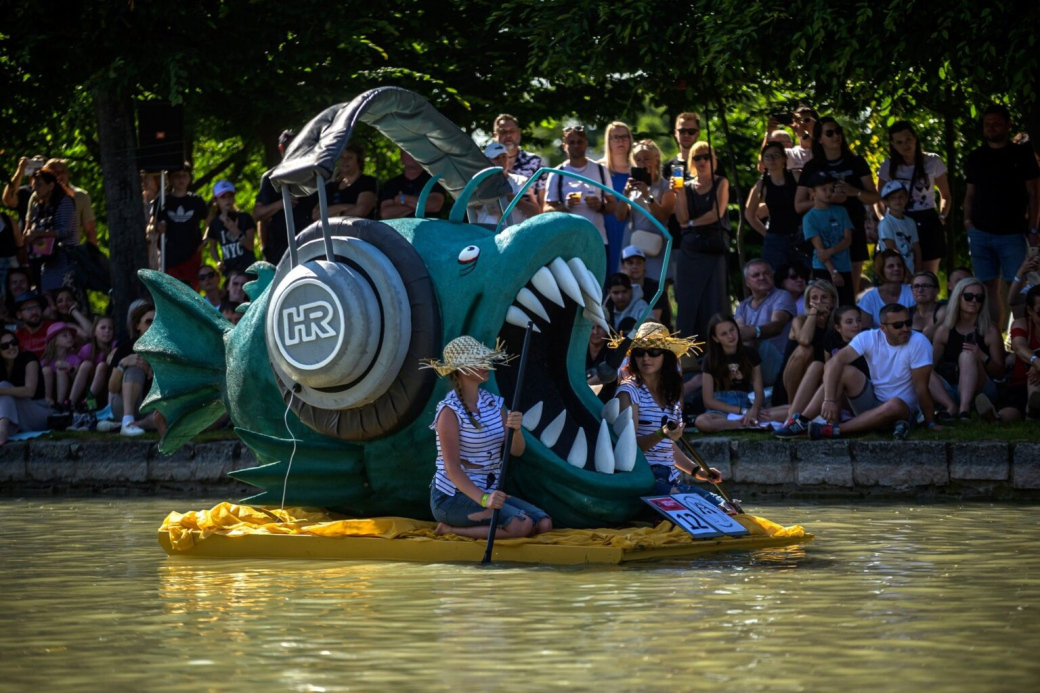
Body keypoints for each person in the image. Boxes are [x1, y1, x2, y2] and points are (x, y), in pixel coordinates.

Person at [422, 336, 551, 539]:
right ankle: (449, 529)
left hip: (490, 492)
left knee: (544, 523)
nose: (487, 365)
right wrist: (484, 499)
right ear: (463, 370)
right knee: (521, 526)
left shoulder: (493, 403)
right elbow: (451, 468)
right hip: (452, 497)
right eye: (479, 361)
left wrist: (516, 431)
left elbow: (516, 451)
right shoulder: (449, 411)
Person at [614, 321, 729, 505]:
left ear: (665, 356)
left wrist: (697, 471)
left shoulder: (671, 394)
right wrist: (662, 433)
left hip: (669, 477)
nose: (646, 358)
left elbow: (668, 447)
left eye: (653, 352)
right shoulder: (629, 392)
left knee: (727, 508)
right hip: (642, 476)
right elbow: (629, 450)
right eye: (639, 353)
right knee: (691, 502)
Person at [811, 303, 936, 440]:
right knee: (844, 371)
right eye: (898, 325)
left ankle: (834, 430)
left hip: (903, 409)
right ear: (883, 328)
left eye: (908, 323)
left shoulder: (919, 342)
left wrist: (931, 423)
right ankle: (800, 421)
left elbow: (921, 388)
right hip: (874, 402)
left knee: (894, 404)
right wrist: (829, 399)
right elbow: (834, 362)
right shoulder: (869, 337)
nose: (905, 328)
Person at [964, 104, 1040, 327]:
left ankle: (1022, 340)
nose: (991, 127)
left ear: (1007, 125)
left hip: (1013, 233)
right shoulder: (976, 157)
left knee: (1017, 285)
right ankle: (994, 342)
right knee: (986, 289)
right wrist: (967, 222)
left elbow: (1034, 193)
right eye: (987, 124)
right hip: (979, 231)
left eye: (996, 122)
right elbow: (969, 194)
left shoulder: (1023, 154)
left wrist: (1034, 228)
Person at [795, 117, 880, 294]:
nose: (836, 136)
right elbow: (799, 205)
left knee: (851, 289)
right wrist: (827, 199)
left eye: (838, 131)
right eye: (829, 133)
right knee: (824, 290)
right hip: (822, 232)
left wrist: (853, 192)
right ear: (819, 138)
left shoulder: (856, 162)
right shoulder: (812, 167)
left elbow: (873, 197)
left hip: (852, 227)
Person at [774, 304, 869, 437]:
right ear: (838, 328)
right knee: (817, 366)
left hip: (856, 394)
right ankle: (791, 420)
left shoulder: (867, 338)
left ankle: (801, 420)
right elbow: (828, 367)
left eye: (858, 320)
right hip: (833, 391)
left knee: (842, 370)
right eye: (849, 322)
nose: (856, 325)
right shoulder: (831, 337)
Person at [876, 121, 951, 275]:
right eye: (899, 142)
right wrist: (884, 220)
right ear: (893, 144)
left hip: (928, 219)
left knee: (928, 275)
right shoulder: (888, 165)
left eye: (908, 139)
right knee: (900, 272)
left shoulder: (933, 161)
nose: (905, 145)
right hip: (899, 220)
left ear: (915, 138)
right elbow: (879, 198)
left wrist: (942, 216)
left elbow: (946, 195)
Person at [674, 142, 730, 343]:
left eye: (706, 156)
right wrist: (678, 194)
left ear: (712, 159)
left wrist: (691, 223)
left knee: (715, 301)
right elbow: (681, 219)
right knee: (688, 304)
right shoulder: (686, 187)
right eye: (697, 158)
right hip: (690, 252)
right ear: (691, 161)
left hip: (713, 250)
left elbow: (716, 214)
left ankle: (718, 347)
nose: (702, 161)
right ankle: (687, 353)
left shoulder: (721, 182)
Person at [930, 278, 1004, 420]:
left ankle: (964, 409)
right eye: (968, 296)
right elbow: (929, 365)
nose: (974, 301)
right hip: (951, 388)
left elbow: (1000, 373)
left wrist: (981, 356)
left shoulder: (990, 331)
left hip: (982, 389)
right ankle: (951, 406)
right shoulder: (944, 330)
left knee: (967, 356)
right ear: (958, 298)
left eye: (979, 297)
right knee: (921, 367)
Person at [544, 125, 616, 258]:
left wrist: (600, 205)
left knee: (597, 279)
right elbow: (546, 210)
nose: (576, 146)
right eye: (572, 142)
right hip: (567, 241)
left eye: (580, 142)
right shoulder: (557, 173)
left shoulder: (600, 170)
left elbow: (613, 205)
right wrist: (565, 205)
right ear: (564, 146)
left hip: (596, 239)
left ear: (586, 144)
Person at [694, 314, 774, 433]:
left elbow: (759, 391)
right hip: (720, 408)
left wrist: (754, 409)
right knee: (702, 421)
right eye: (724, 334)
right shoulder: (710, 359)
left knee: (790, 410)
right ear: (716, 338)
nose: (730, 336)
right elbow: (708, 401)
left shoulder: (750, 353)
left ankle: (748, 420)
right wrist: (741, 411)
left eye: (732, 330)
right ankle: (741, 424)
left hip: (746, 402)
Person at [253, 130, 317, 265]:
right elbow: (258, 215)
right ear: (281, 148)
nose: (293, 149)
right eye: (289, 146)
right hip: (279, 252)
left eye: (297, 145)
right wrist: (281, 204)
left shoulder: (313, 175)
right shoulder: (271, 178)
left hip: (310, 247)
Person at [619, 139, 676, 283]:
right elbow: (619, 216)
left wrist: (647, 196)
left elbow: (663, 216)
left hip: (654, 246)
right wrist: (625, 194)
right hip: (632, 244)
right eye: (638, 159)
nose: (642, 163)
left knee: (656, 290)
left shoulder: (665, 186)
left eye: (646, 159)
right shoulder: (632, 186)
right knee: (630, 288)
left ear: (656, 160)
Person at [733, 259, 797, 387]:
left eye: (766, 273)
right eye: (756, 275)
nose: (762, 277)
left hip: (780, 362)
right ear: (747, 282)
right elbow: (739, 331)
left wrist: (754, 331)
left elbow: (777, 325)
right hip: (753, 360)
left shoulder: (781, 296)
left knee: (751, 339)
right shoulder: (743, 306)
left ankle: (741, 385)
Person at [97, 302, 156, 437]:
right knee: (134, 364)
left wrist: (151, 373)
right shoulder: (126, 348)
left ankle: (128, 426)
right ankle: (128, 419)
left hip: (153, 407)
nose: (153, 326)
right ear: (137, 326)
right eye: (148, 322)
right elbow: (112, 388)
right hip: (124, 405)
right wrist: (123, 364)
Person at [777, 280, 838, 408]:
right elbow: (804, 340)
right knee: (805, 350)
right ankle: (793, 407)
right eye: (814, 298)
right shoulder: (799, 320)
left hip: (817, 384)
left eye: (824, 297)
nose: (819, 301)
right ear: (808, 303)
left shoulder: (836, 326)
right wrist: (814, 312)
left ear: (832, 301)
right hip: (789, 387)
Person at [745, 142, 805, 271]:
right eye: (767, 157)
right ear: (763, 161)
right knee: (777, 277)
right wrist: (766, 234)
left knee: (804, 274)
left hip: (801, 235)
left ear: (784, 158)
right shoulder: (761, 185)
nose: (772, 159)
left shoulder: (796, 176)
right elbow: (749, 215)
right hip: (776, 239)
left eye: (776, 156)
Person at [801, 170, 854, 305]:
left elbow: (848, 239)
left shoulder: (841, 211)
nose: (828, 192)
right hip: (824, 268)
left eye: (831, 189)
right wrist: (833, 272)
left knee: (846, 305)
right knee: (825, 306)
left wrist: (830, 251)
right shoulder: (809, 218)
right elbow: (820, 250)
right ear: (812, 192)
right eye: (823, 189)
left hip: (844, 266)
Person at [24, 165, 78, 292]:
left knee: (63, 294)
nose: (35, 188)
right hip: (45, 260)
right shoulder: (39, 206)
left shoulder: (65, 202)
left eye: (39, 184)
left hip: (65, 258)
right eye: (33, 185)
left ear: (51, 186)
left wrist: (38, 233)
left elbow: (65, 231)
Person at [155, 163, 207, 289]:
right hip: (170, 255)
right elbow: (154, 222)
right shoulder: (162, 201)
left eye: (184, 176)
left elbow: (208, 219)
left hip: (192, 254)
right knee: (172, 291)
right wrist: (158, 227)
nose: (181, 179)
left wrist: (204, 240)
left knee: (192, 292)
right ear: (169, 179)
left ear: (189, 178)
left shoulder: (196, 200)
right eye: (177, 176)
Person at [26, 158, 97, 247]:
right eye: (54, 172)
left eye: (62, 172)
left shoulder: (78, 197)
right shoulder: (37, 196)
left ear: (67, 174)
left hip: (66, 252)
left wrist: (92, 254)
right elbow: (29, 227)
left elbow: (89, 231)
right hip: (41, 251)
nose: (59, 176)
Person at [994, 285, 1040, 420]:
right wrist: (1036, 362)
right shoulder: (1022, 324)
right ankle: (996, 417)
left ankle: (1032, 412)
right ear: (1030, 311)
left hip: (1034, 381)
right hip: (1020, 385)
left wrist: (1036, 365)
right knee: (1011, 411)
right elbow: (1019, 347)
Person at [0, 328, 51, 446]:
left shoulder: (29, 359)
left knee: (3, 387)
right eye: (5, 346)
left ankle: (2, 430)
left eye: (14, 343)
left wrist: (1, 390)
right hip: (13, 413)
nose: (11, 347)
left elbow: (30, 391)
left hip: (37, 411)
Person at [474, 142, 539, 227]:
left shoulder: (520, 181)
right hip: (487, 235)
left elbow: (536, 213)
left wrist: (513, 199)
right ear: (487, 161)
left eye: (504, 157)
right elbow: (472, 209)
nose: (502, 161)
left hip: (516, 234)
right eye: (496, 158)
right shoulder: (478, 183)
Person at [599, 121, 634, 273]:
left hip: (630, 226)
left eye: (624, 136)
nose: (620, 141)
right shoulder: (599, 169)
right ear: (609, 141)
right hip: (605, 226)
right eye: (616, 137)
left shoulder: (636, 170)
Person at [313, 143, 378, 222]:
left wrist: (331, 213)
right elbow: (316, 215)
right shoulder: (330, 186)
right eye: (341, 157)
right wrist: (346, 207)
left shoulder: (367, 182)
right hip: (332, 232)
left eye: (349, 157)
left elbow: (361, 210)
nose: (344, 161)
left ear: (359, 161)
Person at [664, 111, 702, 239]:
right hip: (676, 234)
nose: (686, 135)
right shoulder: (668, 166)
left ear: (698, 134)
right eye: (682, 131)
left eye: (691, 131)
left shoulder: (708, 163)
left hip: (703, 233)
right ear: (675, 133)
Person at [492, 113, 545, 203]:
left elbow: (543, 200)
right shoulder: (486, 162)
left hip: (530, 215)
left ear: (519, 133)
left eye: (512, 131)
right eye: (503, 132)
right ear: (495, 135)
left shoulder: (534, 161)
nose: (508, 135)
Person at [379, 149, 447, 220]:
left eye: (414, 151)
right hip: (398, 229)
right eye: (407, 151)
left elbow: (434, 206)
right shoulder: (392, 184)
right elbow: (385, 214)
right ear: (401, 157)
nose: (410, 154)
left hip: (428, 228)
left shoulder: (433, 181)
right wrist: (421, 205)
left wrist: (403, 199)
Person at [206, 180, 256, 275]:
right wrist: (218, 261)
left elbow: (250, 246)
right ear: (216, 200)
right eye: (223, 197)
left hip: (249, 270)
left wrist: (236, 231)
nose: (227, 200)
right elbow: (212, 246)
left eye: (230, 196)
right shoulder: (214, 223)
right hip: (230, 272)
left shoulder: (245, 217)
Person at [858, 250, 915, 328]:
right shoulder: (869, 298)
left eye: (899, 265)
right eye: (891, 266)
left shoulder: (913, 292)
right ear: (881, 270)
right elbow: (864, 330)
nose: (896, 269)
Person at [619, 245, 670, 328]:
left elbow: (653, 321)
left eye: (639, 262)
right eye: (630, 263)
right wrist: (624, 280)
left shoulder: (656, 288)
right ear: (622, 266)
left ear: (644, 265)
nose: (635, 267)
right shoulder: (617, 286)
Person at [876, 180, 922, 273]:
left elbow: (916, 249)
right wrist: (906, 273)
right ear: (885, 202)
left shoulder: (910, 222)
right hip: (894, 271)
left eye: (901, 196)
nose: (897, 200)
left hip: (911, 271)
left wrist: (918, 272)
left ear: (906, 198)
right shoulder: (886, 223)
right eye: (892, 198)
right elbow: (891, 250)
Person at [40, 322, 82, 409]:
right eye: (65, 335)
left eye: (70, 335)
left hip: (68, 394)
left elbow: (77, 379)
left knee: (61, 371)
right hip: (50, 393)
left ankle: (60, 405)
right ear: (54, 341)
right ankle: (47, 401)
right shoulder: (46, 361)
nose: (70, 337)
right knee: (46, 370)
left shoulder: (75, 359)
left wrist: (69, 367)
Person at [76, 315, 114, 407]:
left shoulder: (115, 346)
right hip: (88, 388)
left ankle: (88, 402)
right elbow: (77, 372)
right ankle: (71, 403)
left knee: (102, 366)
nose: (107, 331)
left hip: (108, 387)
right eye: (103, 328)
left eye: (110, 328)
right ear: (94, 332)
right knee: (86, 365)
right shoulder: (87, 349)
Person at [13, 292, 56, 358]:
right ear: (19, 315)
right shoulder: (17, 336)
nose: (34, 312)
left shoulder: (54, 329)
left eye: (37, 307)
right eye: (28, 309)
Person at [909, 271, 946, 339]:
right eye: (916, 286)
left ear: (936, 290)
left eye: (926, 286)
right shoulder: (907, 313)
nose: (920, 290)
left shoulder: (942, 310)